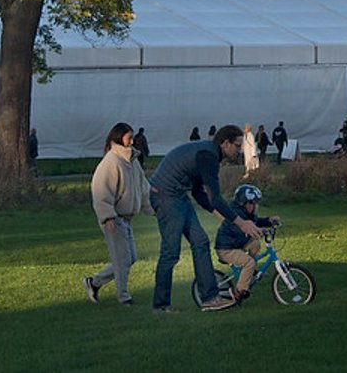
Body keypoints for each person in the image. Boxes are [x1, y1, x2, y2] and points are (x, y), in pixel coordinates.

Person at [147, 124, 260, 313]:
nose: (240, 150)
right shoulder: (208, 156)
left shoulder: (209, 154)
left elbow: (198, 192)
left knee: (200, 241)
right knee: (171, 251)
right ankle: (160, 305)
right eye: (237, 145)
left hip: (179, 195)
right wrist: (241, 223)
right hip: (165, 196)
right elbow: (215, 197)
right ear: (224, 143)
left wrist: (221, 217)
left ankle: (209, 298)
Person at [84, 122, 154, 306]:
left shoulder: (132, 162)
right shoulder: (111, 162)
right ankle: (124, 297)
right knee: (121, 260)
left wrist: (153, 209)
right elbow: (101, 190)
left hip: (126, 219)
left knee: (129, 258)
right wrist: (107, 216)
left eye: (132, 137)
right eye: (128, 137)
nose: (132, 141)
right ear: (118, 138)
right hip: (114, 220)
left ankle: (94, 282)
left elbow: (143, 188)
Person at [215, 184, 280, 301]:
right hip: (226, 249)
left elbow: (256, 221)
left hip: (237, 244)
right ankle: (238, 292)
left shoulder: (246, 213)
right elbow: (243, 227)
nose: (255, 206)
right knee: (249, 262)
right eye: (252, 203)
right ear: (243, 203)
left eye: (255, 203)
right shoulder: (235, 214)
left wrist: (268, 221)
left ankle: (249, 271)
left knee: (255, 244)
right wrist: (258, 230)